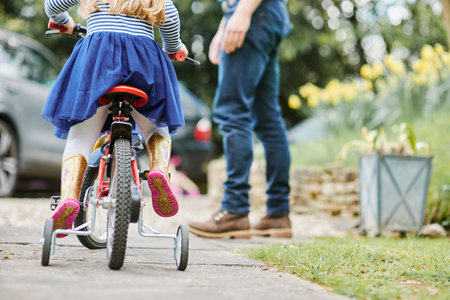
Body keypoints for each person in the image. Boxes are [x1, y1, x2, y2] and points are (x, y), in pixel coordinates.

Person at [43, 0, 188, 237]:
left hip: (97, 65)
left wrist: (66, 23)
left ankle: (69, 197)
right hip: (143, 68)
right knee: (156, 128)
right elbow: (171, 21)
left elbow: (53, 6)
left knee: (80, 135)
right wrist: (174, 48)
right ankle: (158, 170)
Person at [188, 0, 293, 239]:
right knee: (268, 119)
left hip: (253, 12)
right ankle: (278, 214)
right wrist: (225, 23)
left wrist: (243, 11)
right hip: (268, 15)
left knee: (232, 112)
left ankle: (234, 210)